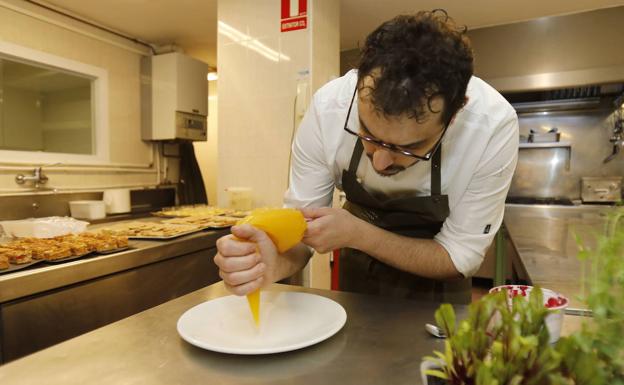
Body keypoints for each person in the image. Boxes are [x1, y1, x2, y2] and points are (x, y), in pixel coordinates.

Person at [214, 10, 518, 304]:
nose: (380, 162)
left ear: (454, 115)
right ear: (359, 89)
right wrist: (273, 263)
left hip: (439, 293)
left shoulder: (492, 126)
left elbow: (460, 257)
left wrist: (359, 234)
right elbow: (299, 230)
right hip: (355, 281)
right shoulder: (329, 107)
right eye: (368, 134)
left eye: (407, 147)